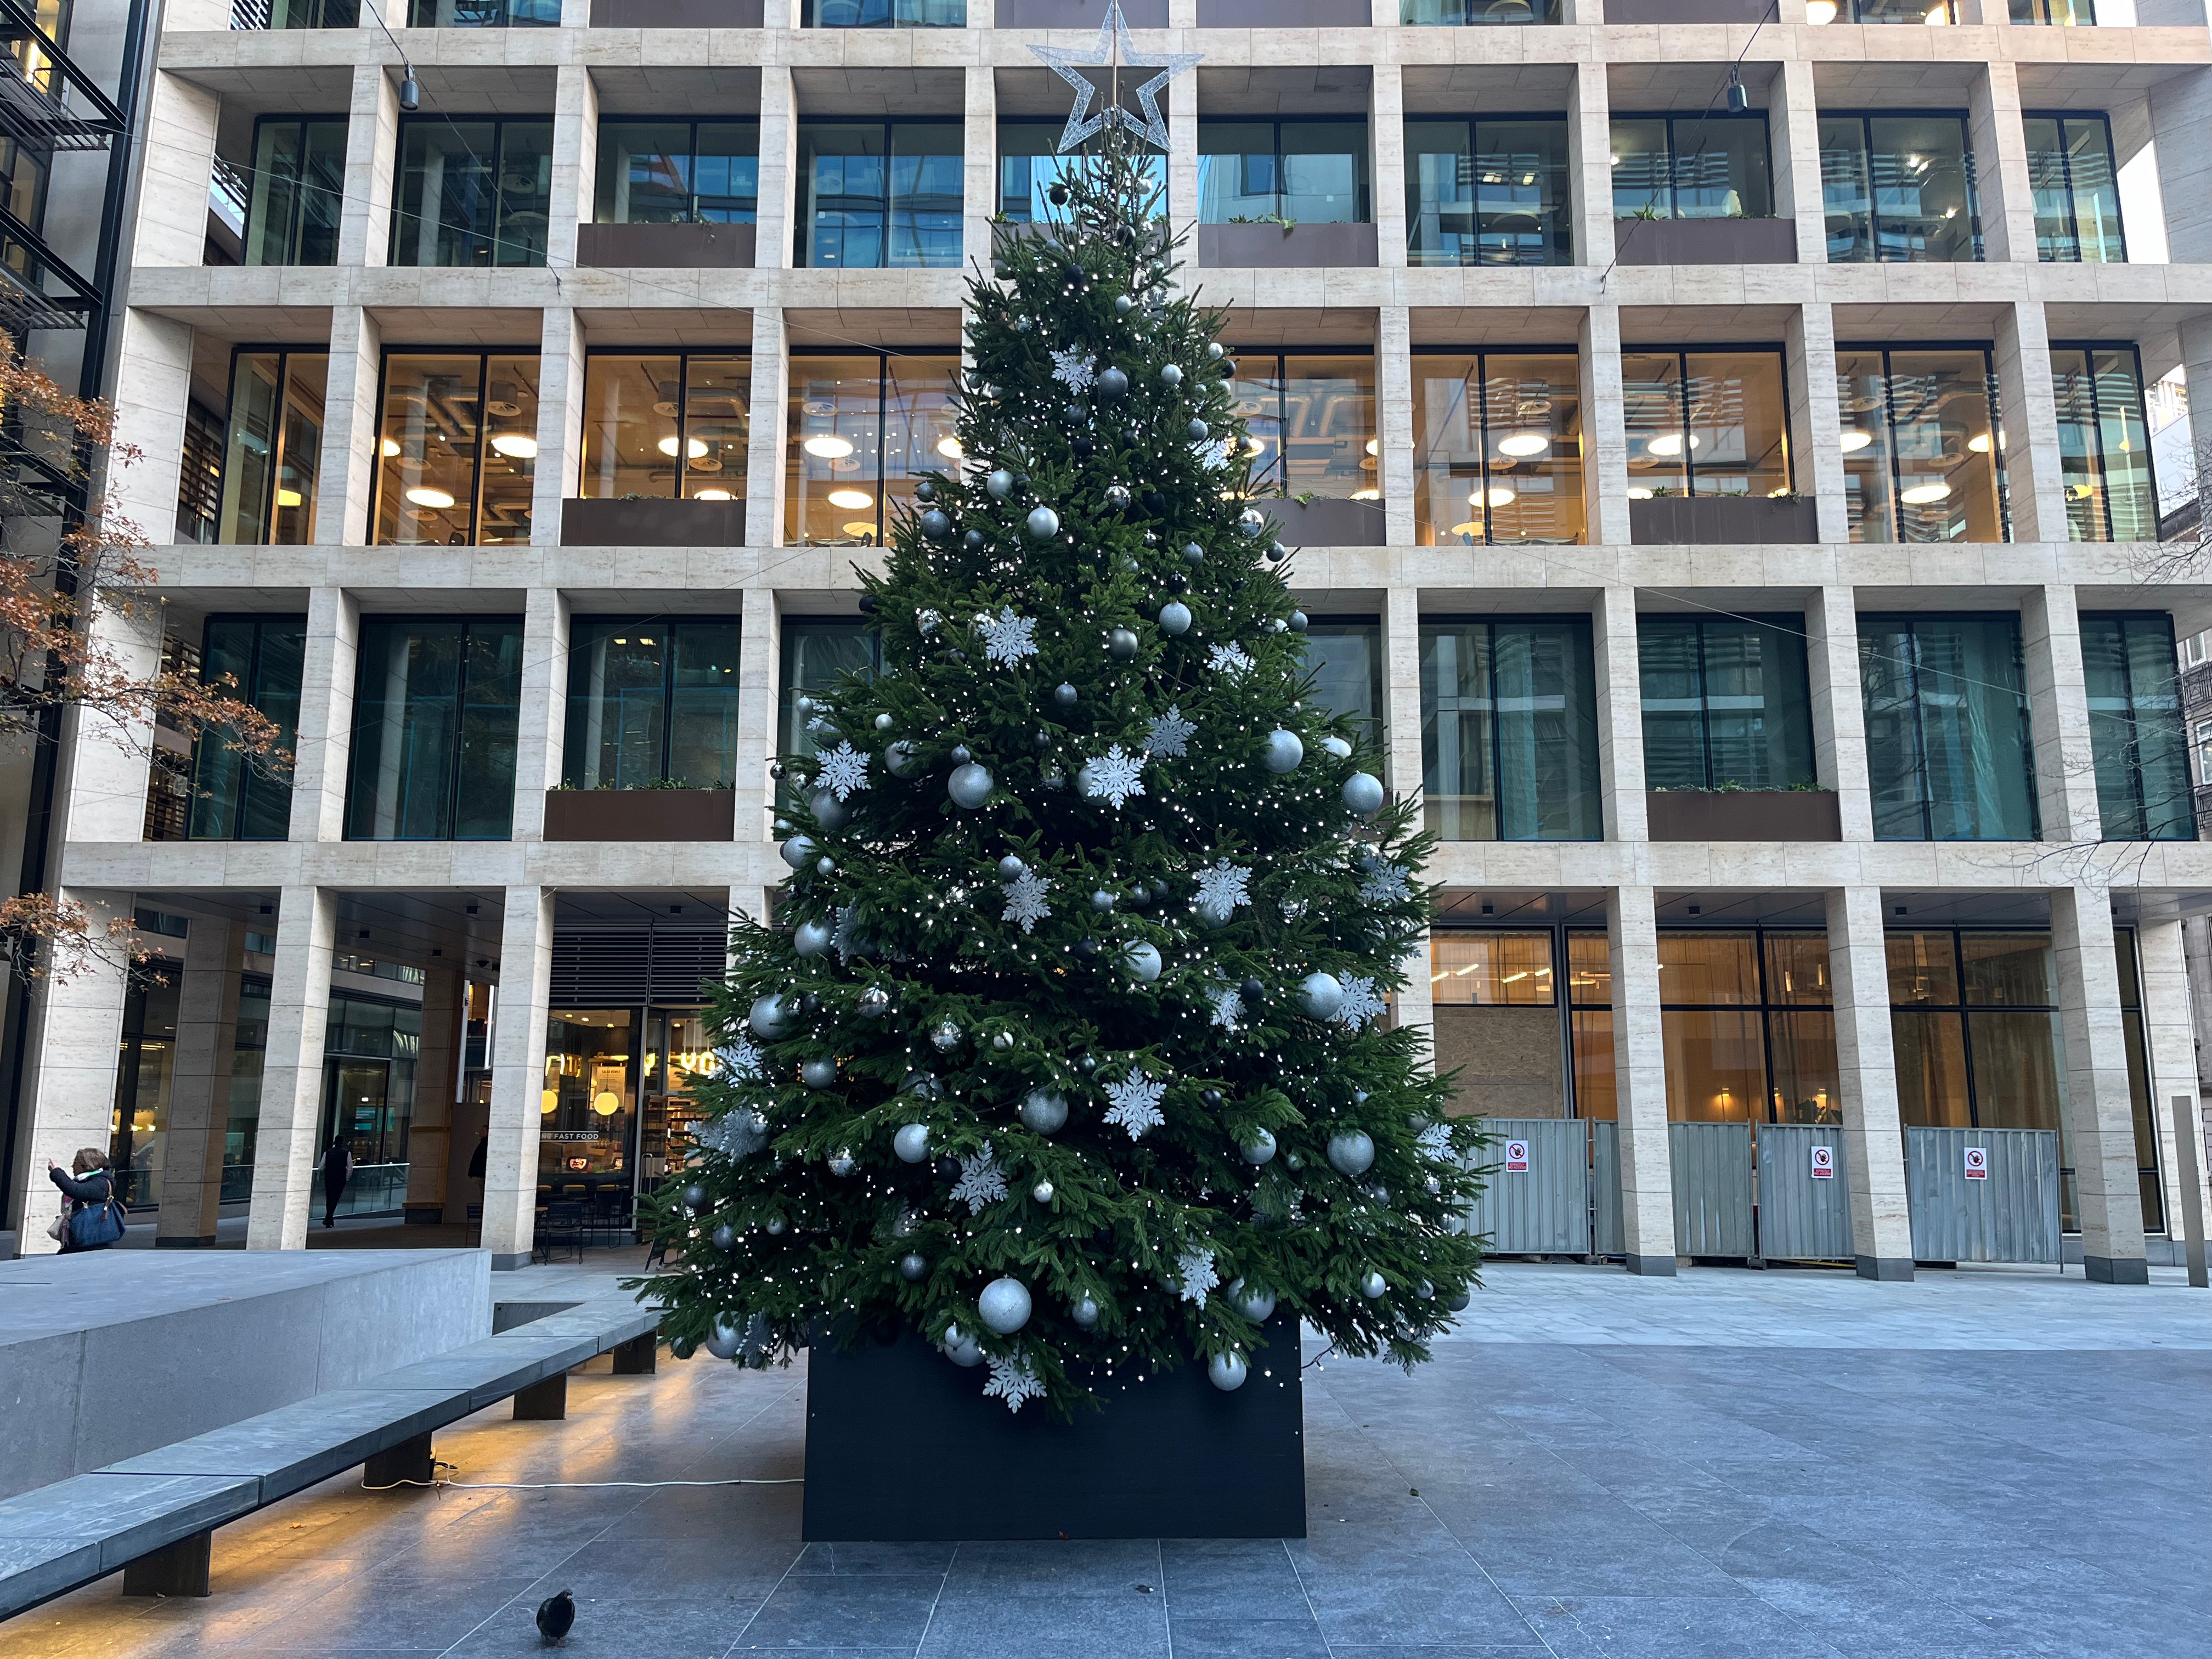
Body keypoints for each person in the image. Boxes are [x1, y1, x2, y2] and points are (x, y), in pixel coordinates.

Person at [46, 1148, 118, 1254]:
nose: (72, 1166)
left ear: (87, 1166)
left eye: (75, 1163)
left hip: (91, 1239)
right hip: (82, 1236)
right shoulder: (88, 1180)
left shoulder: (101, 1182)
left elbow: (75, 1190)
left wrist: (57, 1172)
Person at [320, 1135, 353, 1229]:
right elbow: (350, 1168)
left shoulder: (328, 1152)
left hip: (329, 1177)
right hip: (340, 1178)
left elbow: (321, 1167)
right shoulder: (347, 1153)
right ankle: (329, 1218)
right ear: (343, 1142)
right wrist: (346, 1178)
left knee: (329, 1197)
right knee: (336, 1197)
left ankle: (328, 1218)